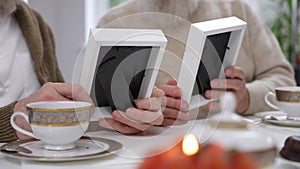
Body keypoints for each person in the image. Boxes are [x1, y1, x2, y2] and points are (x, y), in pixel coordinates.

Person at [0, 0, 187, 142]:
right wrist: (13, 119)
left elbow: (68, 115)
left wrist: (129, 114)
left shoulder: (35, 25)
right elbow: (29, 117)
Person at [97, 0, 296, 116]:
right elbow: (92, 114)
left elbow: (283, 79)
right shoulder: (114, 24)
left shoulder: (235, 8)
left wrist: (248, 98)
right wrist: (139, 112)